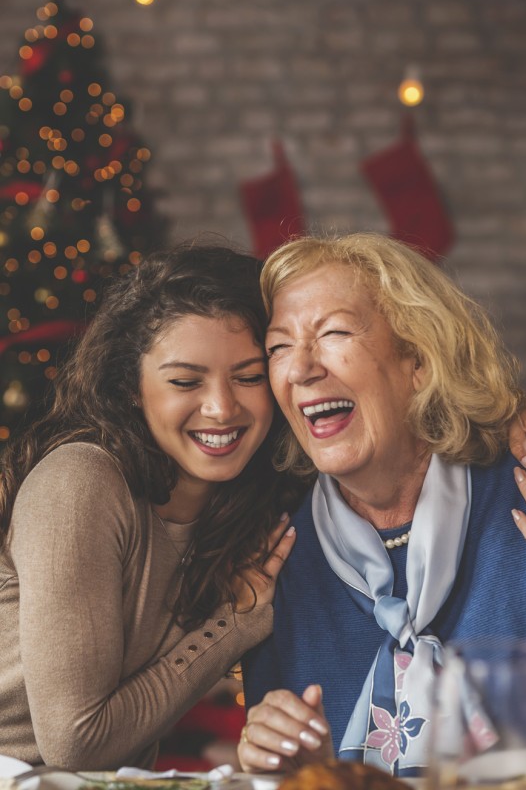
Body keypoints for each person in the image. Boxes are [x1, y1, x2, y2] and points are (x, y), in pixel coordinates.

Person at [238, 233, 526, 777]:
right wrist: (287, 763)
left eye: (333, 332)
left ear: (421, 363)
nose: (300, 367)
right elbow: (297, 770)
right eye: (278, 347)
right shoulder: (280, 550)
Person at [0, 243, 307, 770]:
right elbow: (77, 746)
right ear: (131, 389)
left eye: (249, 377)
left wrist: (502, 424)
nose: (222, 408)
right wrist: (234, 624)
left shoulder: (249, 498)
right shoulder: (79, 483)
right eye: (185, 381)